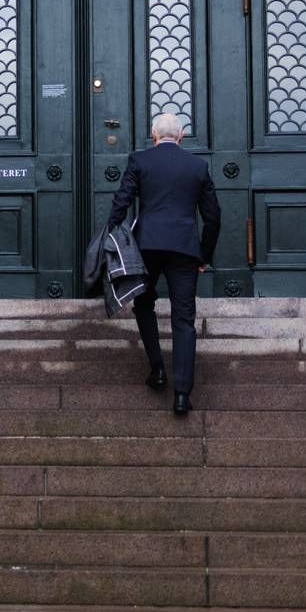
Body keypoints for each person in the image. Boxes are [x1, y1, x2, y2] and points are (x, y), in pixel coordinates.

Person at [106, 111, 221, 416]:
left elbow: (122, 201)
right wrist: (204, 255)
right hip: (184, 250)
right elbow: (213, 218)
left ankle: (157, 369)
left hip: (147, 247)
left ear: (153, 136)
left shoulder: (140, 161)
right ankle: (182, 394)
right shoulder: (198, 166)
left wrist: (111, 237)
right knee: (184, 319)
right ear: (181, 137)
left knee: (144, 306)